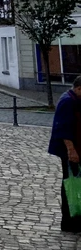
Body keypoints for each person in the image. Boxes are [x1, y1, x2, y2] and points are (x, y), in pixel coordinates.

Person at [49, 75, 81, 232]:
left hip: (75, 149)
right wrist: (71, 150)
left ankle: (74, 219)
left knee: (74, 183)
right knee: (71, 184)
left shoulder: (74, 99)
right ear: (79, 88)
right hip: (70, 152)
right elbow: (63, 129)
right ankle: (70, 221)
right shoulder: (68, 102)